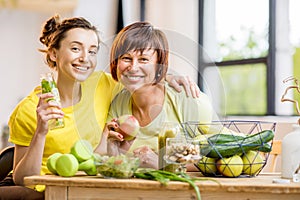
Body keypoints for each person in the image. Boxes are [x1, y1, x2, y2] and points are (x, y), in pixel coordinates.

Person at [0, 15, 200, 199]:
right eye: (76, 48)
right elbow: (22, 179)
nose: (85, 58)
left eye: (92, 51)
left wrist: (169, 76)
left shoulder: (103, 84)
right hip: (43, 192)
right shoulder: (29, 109)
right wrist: (41, 132)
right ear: (53, 54)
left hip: (86, 187)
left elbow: (137, 74)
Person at [97, 22, 215, 171]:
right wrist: (114, 154)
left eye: (143, 59)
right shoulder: (119, 102)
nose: (133, 68)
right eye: (126, 58)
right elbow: (101, 157)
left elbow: (220, 156)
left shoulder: (187, 98)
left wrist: (163, 163)